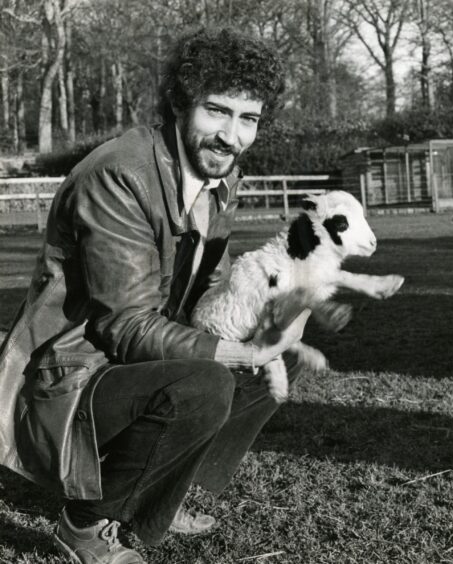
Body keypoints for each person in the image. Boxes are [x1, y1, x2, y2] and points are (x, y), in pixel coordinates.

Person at [0, 28, 302, 563]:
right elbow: (125, 325)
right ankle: (83, 527)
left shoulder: (219, 174)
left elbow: (212, 283)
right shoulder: (120, 174)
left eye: (248, 118)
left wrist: (271, 318)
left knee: (284, 354)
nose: (232, 136)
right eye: (218, 111)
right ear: (180, 104)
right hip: (72, 373)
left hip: (131, 359)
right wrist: (234, 353)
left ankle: (165, 490)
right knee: (203, 382)